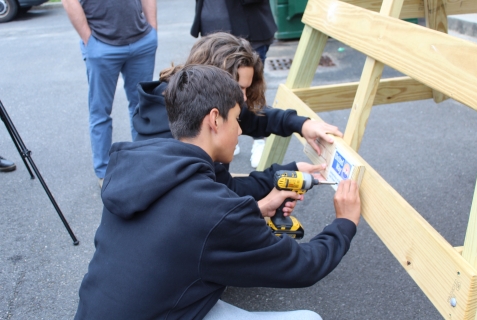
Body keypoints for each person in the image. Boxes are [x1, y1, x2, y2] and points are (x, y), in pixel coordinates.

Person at [74, 65, 361, 319]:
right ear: (214, 119)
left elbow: (184, 229)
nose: (239, 130)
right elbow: (303, 266)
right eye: (237, 119)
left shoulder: (138, 166)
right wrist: (344, 223)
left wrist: (257, 209)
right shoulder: (212, 211)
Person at [132, 32, 341, 198]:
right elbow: (228, 190)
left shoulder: (189, 99)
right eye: (239, 88)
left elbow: (253, 117)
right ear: (213, 76)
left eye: (246, 90)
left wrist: (302, 124)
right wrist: (286, 173)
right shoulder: (181, 134)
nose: (243, 100)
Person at [62, 0, 158, 188]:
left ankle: (144, 164)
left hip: (141, 41)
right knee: (100, 111)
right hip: (101, 44)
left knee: (141, 107)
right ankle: (104, 171)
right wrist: (88, 39)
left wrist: (152, 30)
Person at [191, 0, 279, 166]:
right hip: (211, 33)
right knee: (217, 96)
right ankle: (224, 137)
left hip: (249, 30)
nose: (243, 97)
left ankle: (258, 140)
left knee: (250, 93)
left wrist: (299, 123)